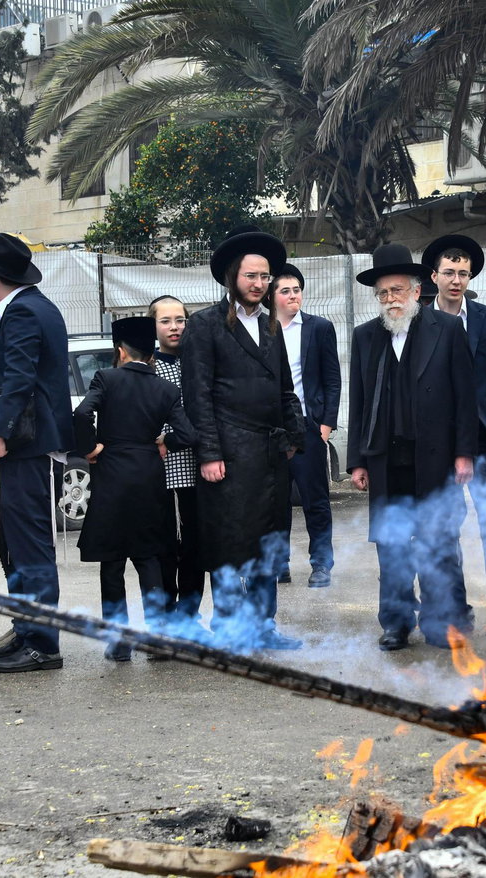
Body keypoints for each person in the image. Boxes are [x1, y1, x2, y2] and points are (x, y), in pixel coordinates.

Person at [346, 244, 478, 651]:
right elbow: (359, 401)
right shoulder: (366, 336)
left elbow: (464, 397)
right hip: (387, 459)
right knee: (391, 544)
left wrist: (463, 453)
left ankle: (442, 620)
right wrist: (357, 461)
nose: (391, 300)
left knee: (438, 541)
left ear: (416, 291)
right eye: (384, 293)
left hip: (436, 457)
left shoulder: (447, 329)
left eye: (397, 291)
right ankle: (397, 622)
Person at [180, 227, 306, 652]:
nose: (259, 284)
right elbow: (197, 395)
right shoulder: (205, 325)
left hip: (271, 454)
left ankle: (264, 626)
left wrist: (295, 436)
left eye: (265, 276)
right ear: (233, 277)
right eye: (251, 276)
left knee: (270, 542)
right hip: (230, 455)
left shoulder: (272, 325)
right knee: (229, 543)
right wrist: (209, 453)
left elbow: (286, 387)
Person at [0, 233, 75, 673]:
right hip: (31, 443)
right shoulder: (30, 308)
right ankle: (29, 632)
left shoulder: (26, 311)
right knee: (17, 543)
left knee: (30, 546)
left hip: (27, 445)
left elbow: (19, 380)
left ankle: (43, 644)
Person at [74, 316, 197, 661]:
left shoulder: (106, 378)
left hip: (112, 473)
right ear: (151, 354)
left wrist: (89, 449)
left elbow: (83, 415)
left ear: (120, 351)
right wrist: (163, 442)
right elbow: (188, 434)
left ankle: (119, 642)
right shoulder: (166, 388)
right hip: (149, 475)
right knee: (149, 557)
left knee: (112, 562)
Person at [421, 234, 486, 634]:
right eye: (449, 272)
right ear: (434, 276)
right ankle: (454, 609)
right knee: (444, 524)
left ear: (470, 275)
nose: (456, 280)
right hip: (437, 441)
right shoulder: (420, 320)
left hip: (480, 438)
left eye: (462, 273)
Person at [272, 264, 341, 587]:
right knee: (275, 501)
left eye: (296, 289)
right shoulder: (262, 329)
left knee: (316, 500)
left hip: (309, 427)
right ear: (273, 296)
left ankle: (321, 564)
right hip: (272, 430)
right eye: (285, 291)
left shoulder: (319, 328)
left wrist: (326, 424)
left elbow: (332, 379)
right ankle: (278, 563)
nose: (292, 295)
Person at [150, 295, 207, 628]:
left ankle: (189, 612)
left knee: (195, 544)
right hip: (159, 469)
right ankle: (164, 613)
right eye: (165, 321)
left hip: (197, 467)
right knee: (164, 546)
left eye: (180, 320)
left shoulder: (198, 362)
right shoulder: (148, 366)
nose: (174, 327)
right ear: (153, 325)